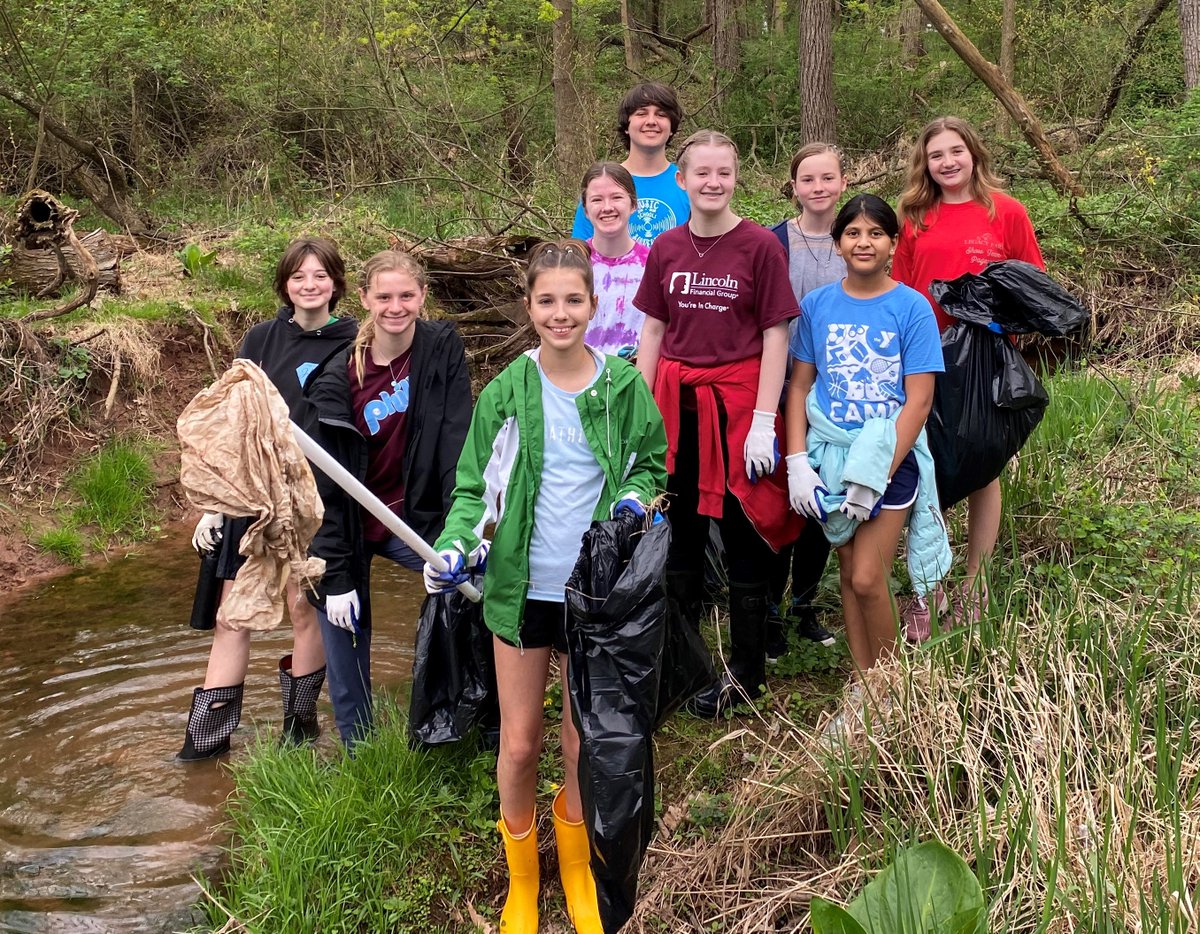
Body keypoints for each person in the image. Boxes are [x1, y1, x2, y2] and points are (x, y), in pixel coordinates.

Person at [424, 240, 666, 934]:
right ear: (529, 306)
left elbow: (649, 464)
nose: (561, 315)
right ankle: (523, 882)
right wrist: (455, 544)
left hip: (595, 597)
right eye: (547, 301)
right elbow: (476, 488)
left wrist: (633, 500)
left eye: (574, 300)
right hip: (521, 590)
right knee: (522, 743)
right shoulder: (506, 390)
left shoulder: (622, 386)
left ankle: (580, 869)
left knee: (581, 743)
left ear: (594, 304)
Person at [633, 129, 801, 718]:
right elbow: (653, 329)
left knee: (744, 529)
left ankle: (748, 675)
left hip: (736, 405)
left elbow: (775, 333)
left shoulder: (759, 246)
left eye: (723, 173)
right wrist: (643, 408)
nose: (712, 182)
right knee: (675, 536)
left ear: (735, 178)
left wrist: (763, 417)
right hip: (675, 403)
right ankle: (685, 670)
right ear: (681, 181)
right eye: (700, 173)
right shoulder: (667, 247)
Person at [180, 237, 358, 760]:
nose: (309, 285)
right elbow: (230, 427)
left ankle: (298, 735)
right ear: (285, 284)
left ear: (335, 284)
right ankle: (205, 743)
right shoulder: (260, 338)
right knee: (230, 616)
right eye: (299, 276)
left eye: (320, 275)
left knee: (303, 611)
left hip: (310, 501)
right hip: (251, 498)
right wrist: (215, 504)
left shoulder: (353, 342)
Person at [299, 249, 471, 748]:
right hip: (351, 522)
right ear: (365, 299)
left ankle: (462, 717)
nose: (396, 306)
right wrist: (335, 574)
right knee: (342, 620)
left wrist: (460, 532)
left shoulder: (441, 347)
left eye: (407, 295)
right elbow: (325, 484)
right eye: (384, 296)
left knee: (475, 586)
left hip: (414, 520)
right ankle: (360, 752)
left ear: (422, 296)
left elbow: (454, 442)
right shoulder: (335, 381)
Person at [785, 195, 948, 677]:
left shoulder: (912, 307)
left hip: (889, 459)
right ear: (836, 243)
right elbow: (799, 384)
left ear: (893, 244)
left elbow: (918, 400)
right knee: (849, 576)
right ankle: (863, 681)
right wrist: (797, 461)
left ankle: (893, 689)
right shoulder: (817, 305)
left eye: (876, 233)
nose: (864, 242)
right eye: (853, 233)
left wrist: (876, 474)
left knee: (868, 575)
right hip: (832, 457)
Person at [893, 116, 1045, 629]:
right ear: (926, 163)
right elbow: (901, 286)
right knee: (924, 464)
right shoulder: (915, 215)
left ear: (973, 153)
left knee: (984, 464)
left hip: (986, 357)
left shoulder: (1005, 212)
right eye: (936, 155)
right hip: (925, 353)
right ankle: (928, 586)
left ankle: (975, 583)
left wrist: (1000, 321)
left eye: (956, 151)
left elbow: (1032, 281)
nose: (947, 162)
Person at [763, 142, 850, 658]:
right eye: (808, 179)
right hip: (782, 390)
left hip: (838, 397)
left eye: (827, 178)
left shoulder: (857, 238)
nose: (818, 188)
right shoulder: (774, 242)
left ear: (842, 182)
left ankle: (805, 605)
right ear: (793, 186)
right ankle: (769, 613)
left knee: (824, 503)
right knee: (783, 504)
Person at [571, 82, 690, 246]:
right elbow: (580, 255)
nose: (651, 121)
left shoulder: (687, 184)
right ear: (627, 125)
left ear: (671, 127)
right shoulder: (601, 184)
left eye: (661, 115)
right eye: (641, 113)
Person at [579, 161, 649, 357]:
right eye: (597, 200)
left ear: (633, 204)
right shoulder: (573, 264)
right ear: (585, 209)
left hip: (636, 378)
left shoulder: (654, 264)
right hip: (582, 377)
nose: (607, 207)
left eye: (616, 197)